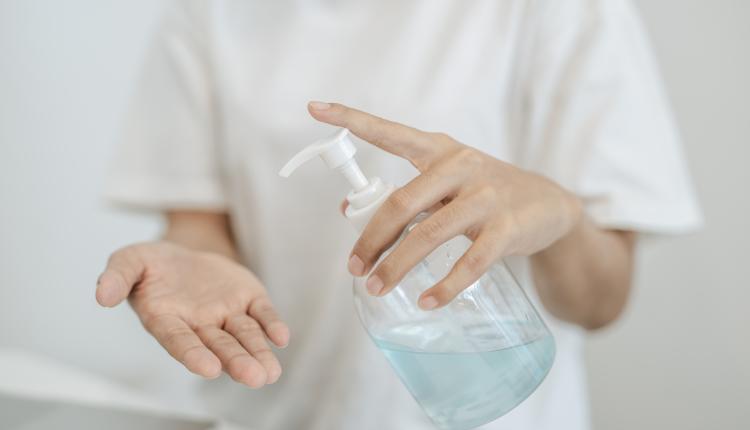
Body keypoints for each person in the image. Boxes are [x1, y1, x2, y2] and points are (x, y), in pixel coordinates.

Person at [95, 1, 701, 429]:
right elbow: (199, 219)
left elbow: (602, 302)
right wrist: (196, 255)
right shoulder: (210, 13)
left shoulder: (556, 11)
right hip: (267, 412)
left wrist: (560, 210)